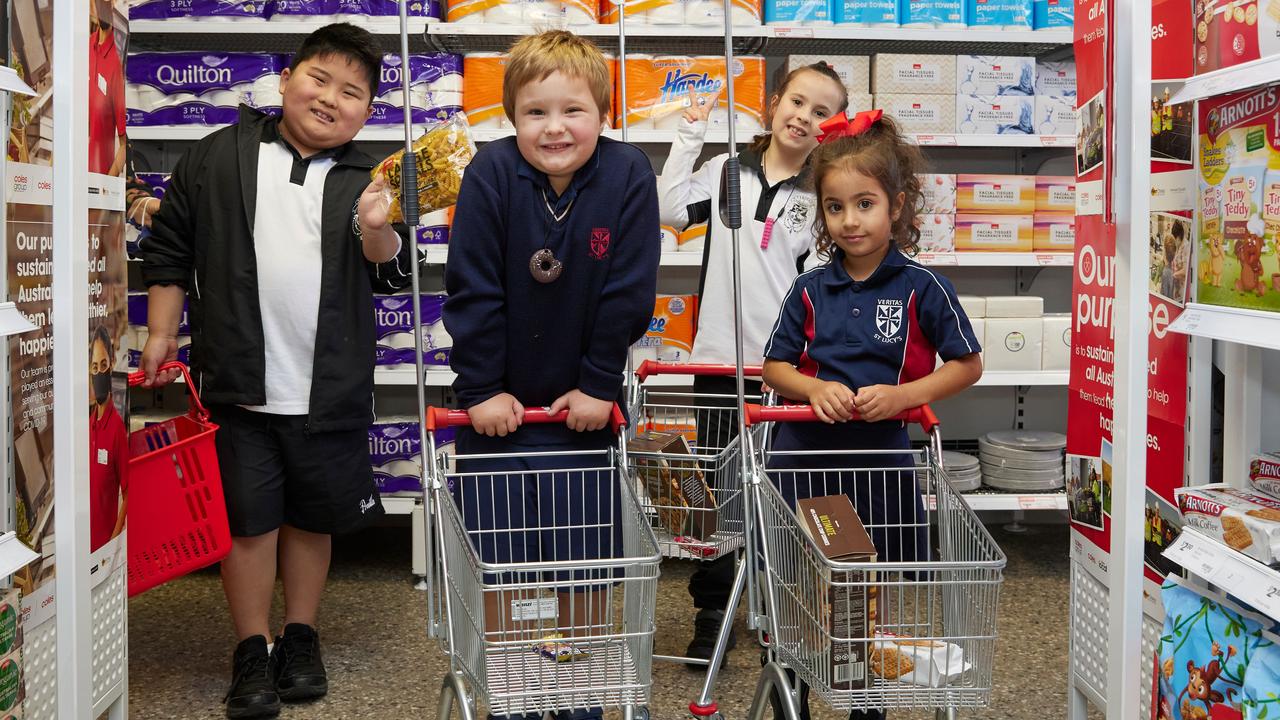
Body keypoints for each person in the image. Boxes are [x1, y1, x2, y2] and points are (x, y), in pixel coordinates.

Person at [140, 23, 414, 720]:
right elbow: (169, 248)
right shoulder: (217, 157)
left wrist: (381, 226)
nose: (330, 99)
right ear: (287, 78)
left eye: (352, 92)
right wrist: (162, 336)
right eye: (319, 79)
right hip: (237, 385)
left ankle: (301, 635)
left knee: (311, 521)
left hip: (329, 391)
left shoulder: (368, 179)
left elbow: (393, 273)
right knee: (247, 524)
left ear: (369, 111)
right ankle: (251, 649)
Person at [441, 30, 659, 720]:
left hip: (584, 407)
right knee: (500, 555)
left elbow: (627, 291)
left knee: (586, 555)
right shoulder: (490, 173)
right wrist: (479, 388)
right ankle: (512, 687)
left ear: (604, 112)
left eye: (574, 111)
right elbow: (472, 287)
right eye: (536, 112)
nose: (555, 127)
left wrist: (599, 383)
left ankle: (582, 684)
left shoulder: (628, 175)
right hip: (495, 410)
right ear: (511, 116)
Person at [760, 110, 984, 720]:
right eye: (836, 207)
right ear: (822, 213)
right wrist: (812, 389)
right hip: (804, 456)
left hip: (879, 458)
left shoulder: (921, 287)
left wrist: (904, 395)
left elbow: (967, 364)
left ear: (898, 205)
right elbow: (772, 369)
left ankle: (866, 696)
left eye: (865, 204)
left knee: (866, 583)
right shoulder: (808, 289)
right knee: (802, 579)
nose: (850, 221)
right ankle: (793, 686)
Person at [656, 61, 848, 663]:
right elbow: (667, 210)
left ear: (834, 126)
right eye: (797, 102)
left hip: (786, 374)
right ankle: (714, 610)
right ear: (772, 105)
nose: (805, 117)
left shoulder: (822, 195)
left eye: (822, 112)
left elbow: (821, 291)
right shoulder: (724, 172)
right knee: (716, 495)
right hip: (717, 364)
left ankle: (776, 609)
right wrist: (690, 134)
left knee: (781, 493)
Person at [89, 324, 127, 554]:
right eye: (94, 367)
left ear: (111, 364)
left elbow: (129, 492)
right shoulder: (86, 426)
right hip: (83, 544)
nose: (99, 371)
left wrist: (114, 540)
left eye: (103, 364)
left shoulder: (117, 429)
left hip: (104, 549)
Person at [89, 0, 126, 176]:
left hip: (97, 183)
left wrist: (105, 188)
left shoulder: (117, 60)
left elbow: (125, 144)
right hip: (69, 177)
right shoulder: (83, 49)